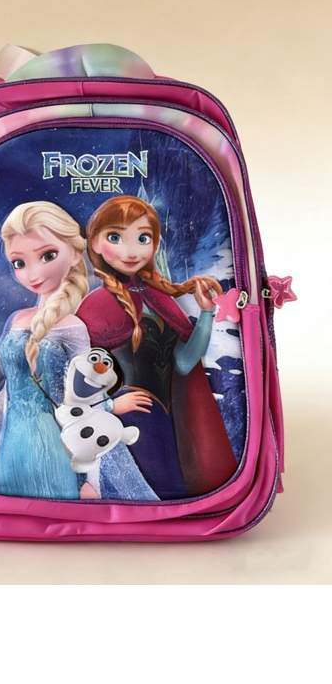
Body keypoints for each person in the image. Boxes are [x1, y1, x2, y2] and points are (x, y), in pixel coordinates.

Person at [0, 201, 152, 500]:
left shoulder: (73, 327)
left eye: (48, 255)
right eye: (19, 263)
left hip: (57, 443)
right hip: (12, 443)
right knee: (11, 513)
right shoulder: (17, 320)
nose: (33, 273)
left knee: (58, 509)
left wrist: (88, 480)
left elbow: (86, 399)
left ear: (75, 253)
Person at [75, 194, 238, 498]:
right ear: (95, 243)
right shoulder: (93, 306)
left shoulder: (157, 296)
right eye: (115, 237)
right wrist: (110, 404)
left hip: (166, 418)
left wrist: (206, 313)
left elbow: (185, 363)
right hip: (123, 420)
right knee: (137, 492)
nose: (131, 251)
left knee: (168, 490)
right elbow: (75, 379)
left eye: (142, 238)